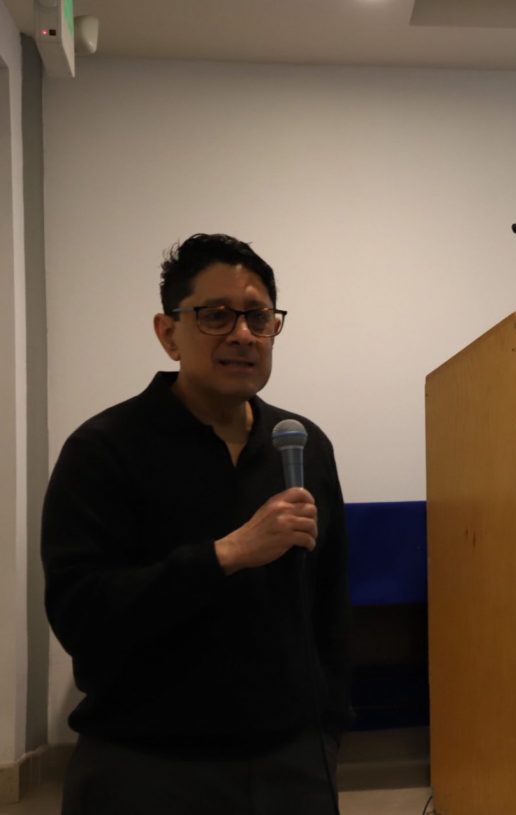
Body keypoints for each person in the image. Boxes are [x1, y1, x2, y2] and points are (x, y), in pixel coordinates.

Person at [42, 233, 352, 815]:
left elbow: (329, 604)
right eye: (216, 316)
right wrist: (225, 555)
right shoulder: (103, 449)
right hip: (145, 766)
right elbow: (81, 615)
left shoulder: (304, 445)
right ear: (168, 333)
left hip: (292, 765)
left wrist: (328, 730)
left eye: (258, 317)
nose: (243, 334)